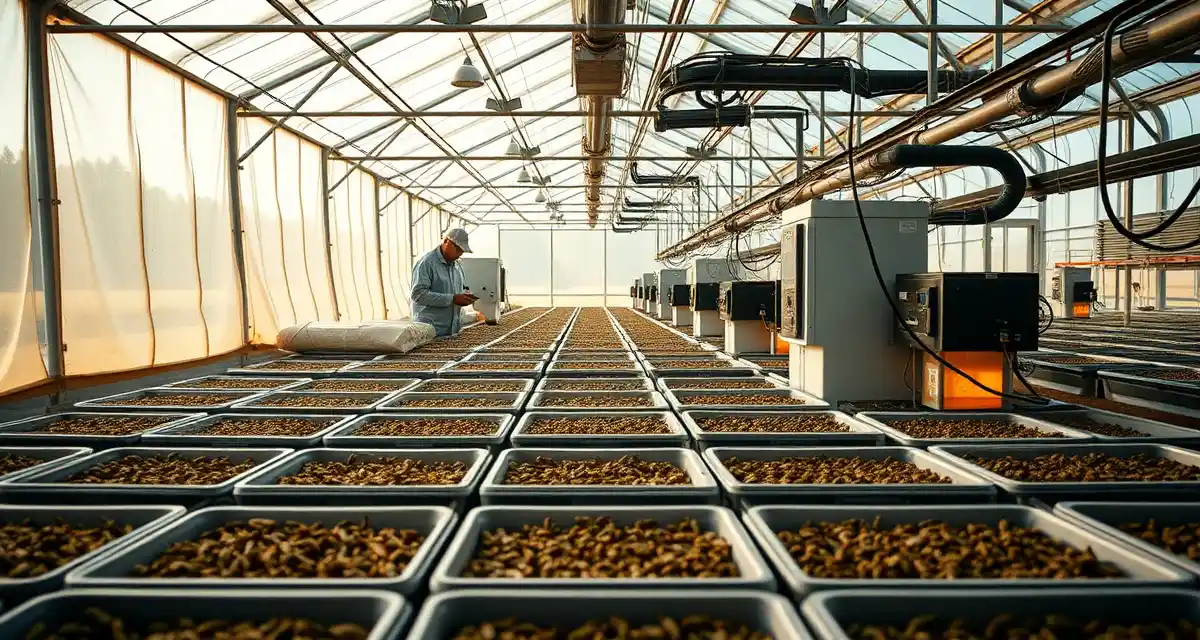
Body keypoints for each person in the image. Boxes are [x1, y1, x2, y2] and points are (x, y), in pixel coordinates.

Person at [411, 228, 478, 337]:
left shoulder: (457, 265)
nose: (460, 253)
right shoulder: (427, 263)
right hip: (431, 331)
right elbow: (418, 295)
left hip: (453, 330)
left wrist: (465, 296)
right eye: (457, 248)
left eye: (462, 250)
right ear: (446, 241)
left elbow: (460, 289)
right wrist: (452, 299)